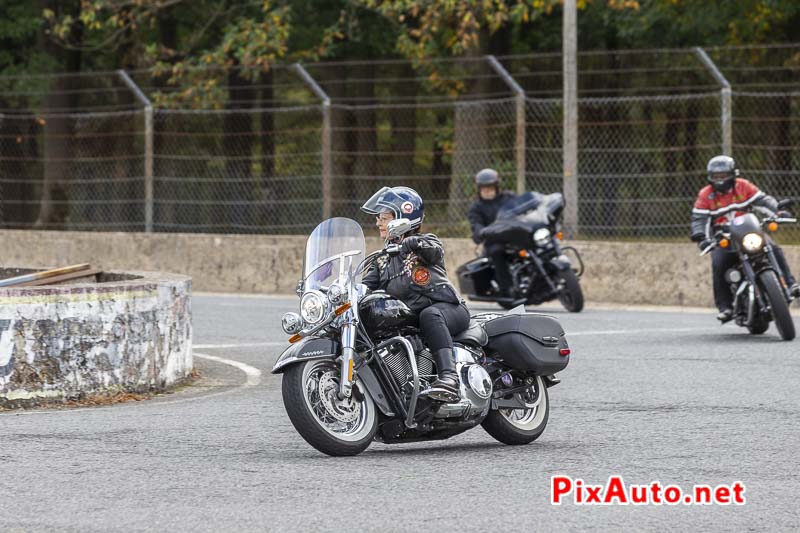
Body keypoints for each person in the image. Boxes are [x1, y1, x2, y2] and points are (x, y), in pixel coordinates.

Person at [361, 186, 470, 401]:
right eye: (378, 218)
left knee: (429, 314)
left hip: (449, 310)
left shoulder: (425, 242)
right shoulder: (382, 260)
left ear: (402, 218)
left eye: (383, 217)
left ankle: (449, 379)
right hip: (414, 318)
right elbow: (364, 287)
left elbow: (434, 251)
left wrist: (411, 242)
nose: (377, 222)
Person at [690, 155, 799, 322]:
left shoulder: (743, 186)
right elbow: (699, 220)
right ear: (710, 177)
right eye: (716, 177)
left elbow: (763, 201)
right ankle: (725, 307)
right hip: (724, 238)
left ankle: (791, 285)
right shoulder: (706, 195)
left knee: (773, 248)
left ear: (733, 174)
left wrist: (778, 212)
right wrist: (702, 238)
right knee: (719, 263)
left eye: (724, 175)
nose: (720, 180)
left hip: (749, 231)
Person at [467, 169, 518, 299]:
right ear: (479, 189)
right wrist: (481, 231)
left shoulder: (508, 198)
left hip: (516, 236)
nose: (487, 191)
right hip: (494, 240)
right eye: (484, 188)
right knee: (497, 251)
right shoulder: (476, 207)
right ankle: (507, 288)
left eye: (490, 187)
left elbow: (523, 207)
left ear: (496, 187)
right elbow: (476, 223)